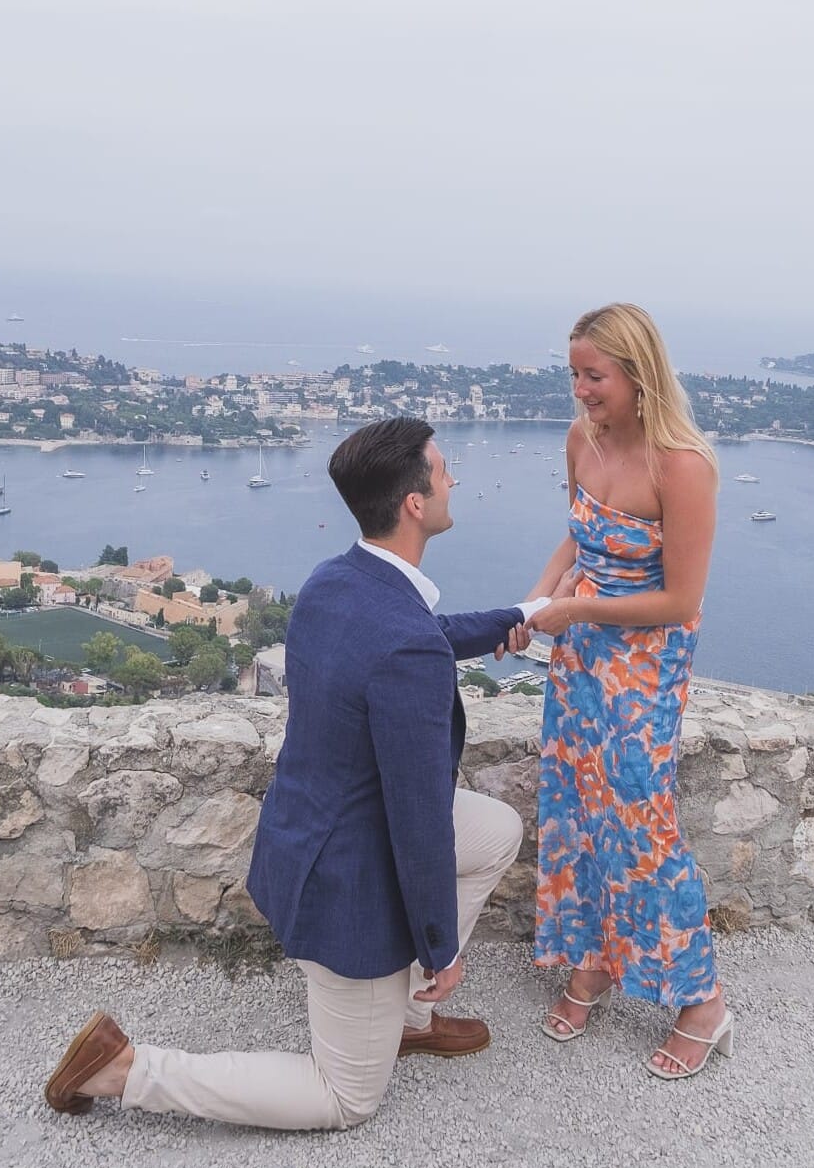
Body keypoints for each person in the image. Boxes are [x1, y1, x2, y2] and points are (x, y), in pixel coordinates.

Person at [43, 417, 547, 1128]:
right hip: (349, 886)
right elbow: (417, 817)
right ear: (413, 502)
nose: (453, 479)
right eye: (444, 468)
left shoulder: (335, 582)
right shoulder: (402, 643)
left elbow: (424, 635)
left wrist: (526, 613)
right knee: (344, 1098)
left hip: (304, 842)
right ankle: (122, 1068)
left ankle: (399, 1015)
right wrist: (439, 948)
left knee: (494, 827)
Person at [524, 302, 730, 1079]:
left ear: (638, 376)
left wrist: (573, 605)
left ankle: (701, 1002)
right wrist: (535, 598)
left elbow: (680, 600)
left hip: (643, 673)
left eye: (594, 375)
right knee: (576, 814)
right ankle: (596, 959)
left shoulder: (682, 465)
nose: (580, 390)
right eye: (574, 373)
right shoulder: (582, 440)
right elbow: (579, 532)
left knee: (644, 830)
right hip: (578, 661)